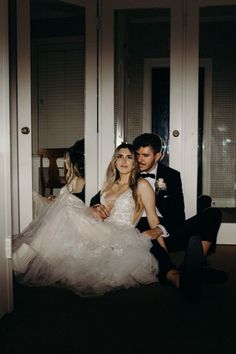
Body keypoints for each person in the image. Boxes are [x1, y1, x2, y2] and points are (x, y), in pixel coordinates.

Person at [13, 143, 166, 297]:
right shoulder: (109, 184)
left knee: (67, 203)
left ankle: (22, 258)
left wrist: (164, 252)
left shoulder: (142, 185)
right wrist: (93, 209)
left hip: (120, 235)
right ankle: (23, 257)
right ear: (114, 161)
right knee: (64, 209)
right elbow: (98, 209)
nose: (123, 161)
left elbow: (153, 218)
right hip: (101, 228)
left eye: (129, 157)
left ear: (134, 162)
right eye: (119, 157)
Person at [131, 132, 227, 299]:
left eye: (145, 155)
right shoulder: (126, 172)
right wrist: (96, 206)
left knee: (213, 214)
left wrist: (159, 229)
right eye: (137, 154)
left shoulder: (171, 176)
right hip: (140, 229)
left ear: (158, 155)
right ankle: (178, 277)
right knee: (150, 241)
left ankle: (194, 266)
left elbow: (177, 216)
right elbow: (102, 195)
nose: (139, 159)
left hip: (167, 230)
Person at [32, 142, 85, 219]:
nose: (64, 161)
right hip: (57, 207)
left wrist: (57, 202)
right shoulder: (74, 179)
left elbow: (75, 203)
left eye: (66, 158)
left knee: (34, 197)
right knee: (33, 196)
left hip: (60, 212)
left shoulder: (79, 180)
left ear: (73, 161)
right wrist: (57, 199)